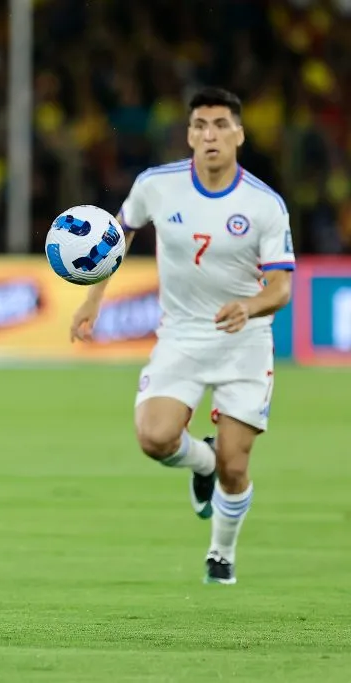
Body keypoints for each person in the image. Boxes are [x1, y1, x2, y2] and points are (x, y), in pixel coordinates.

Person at [70, 87, 295, 585]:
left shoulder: (264, 205)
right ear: (189, 133)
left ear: (239, 132)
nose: (209, 134)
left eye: (220, 125)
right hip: (182, 336)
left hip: (246, 339)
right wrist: (92, 298)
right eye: (200, 125)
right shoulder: (156, 185)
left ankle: (221, 553)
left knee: (237, 467)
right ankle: (202, 463)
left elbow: (281, 287)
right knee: (154, 436)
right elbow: (118, 235)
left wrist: (251, 306)